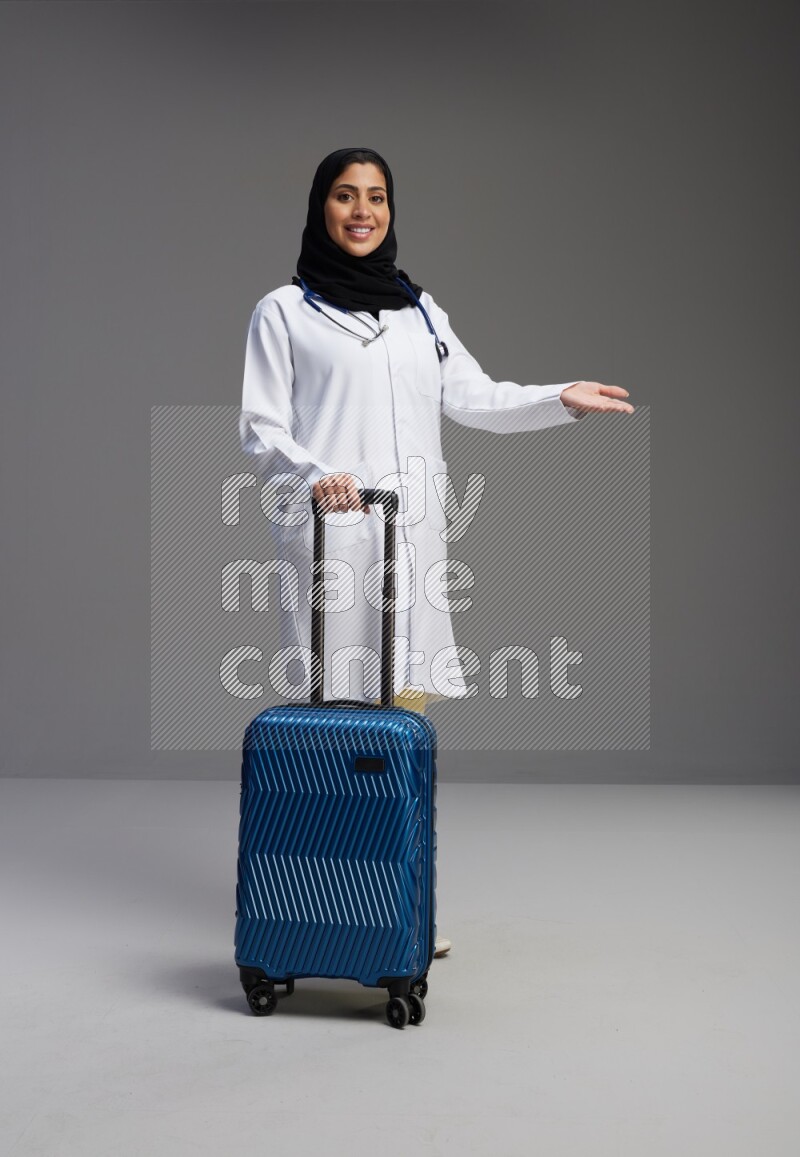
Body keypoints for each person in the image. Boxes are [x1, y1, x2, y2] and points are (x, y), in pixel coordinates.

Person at [239, 147, 635, 958]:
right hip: (333, 544)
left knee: (403, 723)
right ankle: (326, 907)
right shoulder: (283, 311)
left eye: (376, 197)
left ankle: (396, 908)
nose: (362, 211)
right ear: (320, 208)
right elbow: (260, 428)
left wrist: (558, 398)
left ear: (391, 210)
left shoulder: (418, 310)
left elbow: (476, 397)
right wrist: (318, 476)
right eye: (345, 196)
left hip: (411, 542)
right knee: (337, 725)